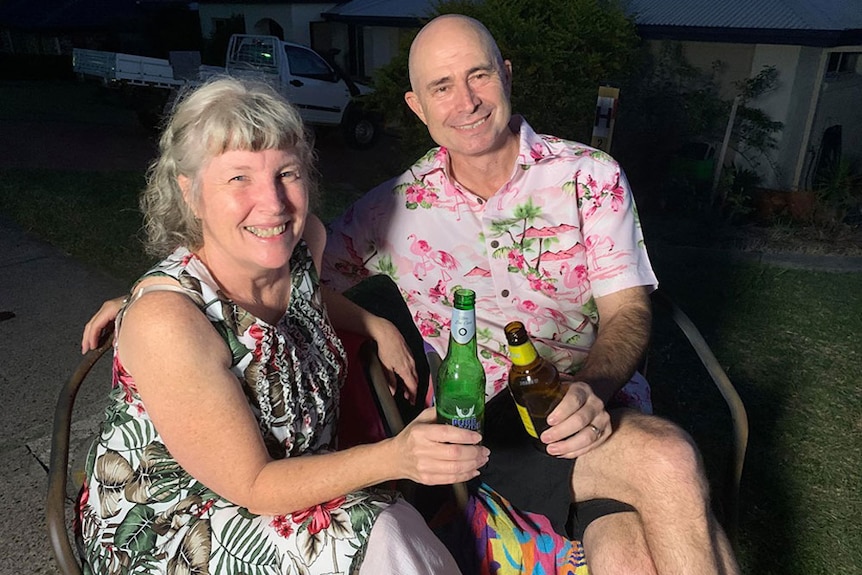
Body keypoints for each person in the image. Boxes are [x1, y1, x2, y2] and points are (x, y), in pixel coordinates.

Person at [320, 14, 740, 575]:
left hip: (599, 403)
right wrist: (373, 324)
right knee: (669, 456)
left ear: (507, 76)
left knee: (626, 556)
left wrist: (592, 388)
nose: (465, 101)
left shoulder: (589, 177)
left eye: (479, 76)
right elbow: (296, 280)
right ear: (417, 106)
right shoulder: (394, 208)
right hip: (485, 429)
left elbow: (628, 309)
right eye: (441, 87)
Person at [75, 76, 479, 574]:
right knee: (384, 530)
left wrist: (374, 323)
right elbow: (254, 485)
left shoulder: (301, 243)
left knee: (389, 531)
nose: (273, 203)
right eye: (238, 178)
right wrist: (396, 457)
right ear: (191, 192)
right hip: (178, 526)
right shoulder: (167, 324)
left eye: (286, 173)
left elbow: (310, 300)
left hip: (296, 484)